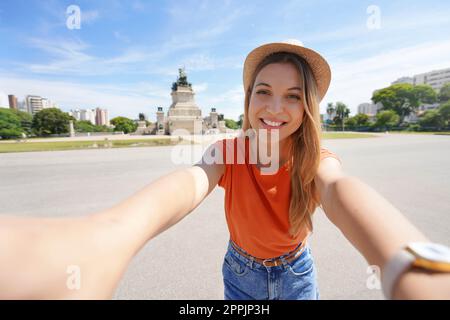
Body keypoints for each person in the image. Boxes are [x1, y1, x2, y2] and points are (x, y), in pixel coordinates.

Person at [1, 40, 449, 300]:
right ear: (248, 97)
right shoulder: (229, 152)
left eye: (293, 96)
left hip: (296, 276)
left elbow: (343, 192)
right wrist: (108, 233)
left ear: (308, 106)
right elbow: (190, 182)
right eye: (264, 92)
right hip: (240, 275)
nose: (275, 108)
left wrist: (411, 262)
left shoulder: (315, 161)